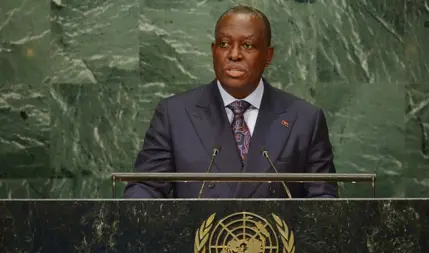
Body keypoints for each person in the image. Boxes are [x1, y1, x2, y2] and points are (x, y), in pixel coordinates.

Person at [123, 5, 337, 198]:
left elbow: (322, 201)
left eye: (248, 45)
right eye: (224, 44)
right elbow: (146, 188)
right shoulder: (174, 115)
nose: (234, 54)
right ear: (213, 51)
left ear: (268, 55)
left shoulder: (305, 119)